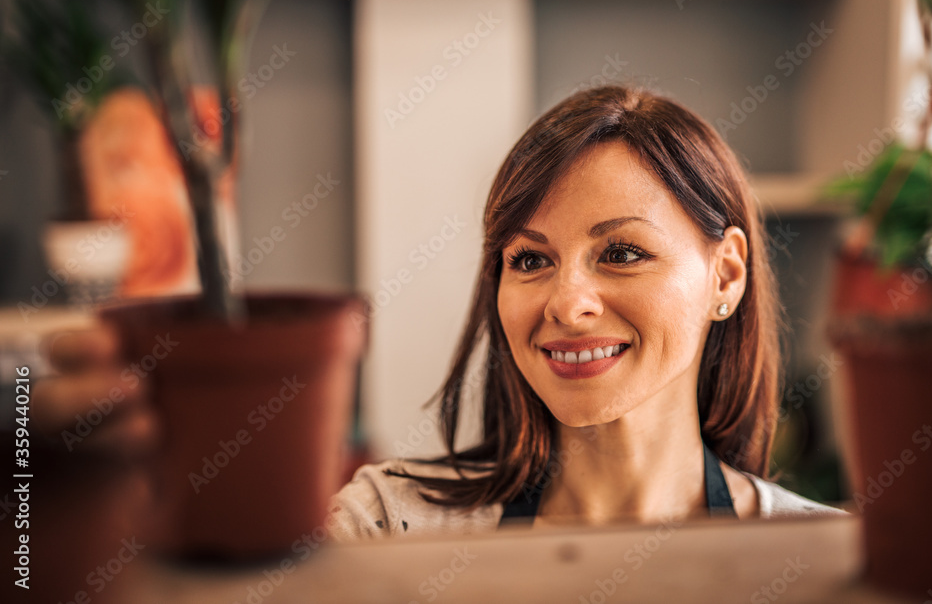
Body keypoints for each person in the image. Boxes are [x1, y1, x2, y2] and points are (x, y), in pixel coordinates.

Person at [328, 85, 844, 541]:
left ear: (725, 275)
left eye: (621, 253)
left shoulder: (822, 552)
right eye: (531, 260)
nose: (568, 305)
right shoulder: (385, 525)